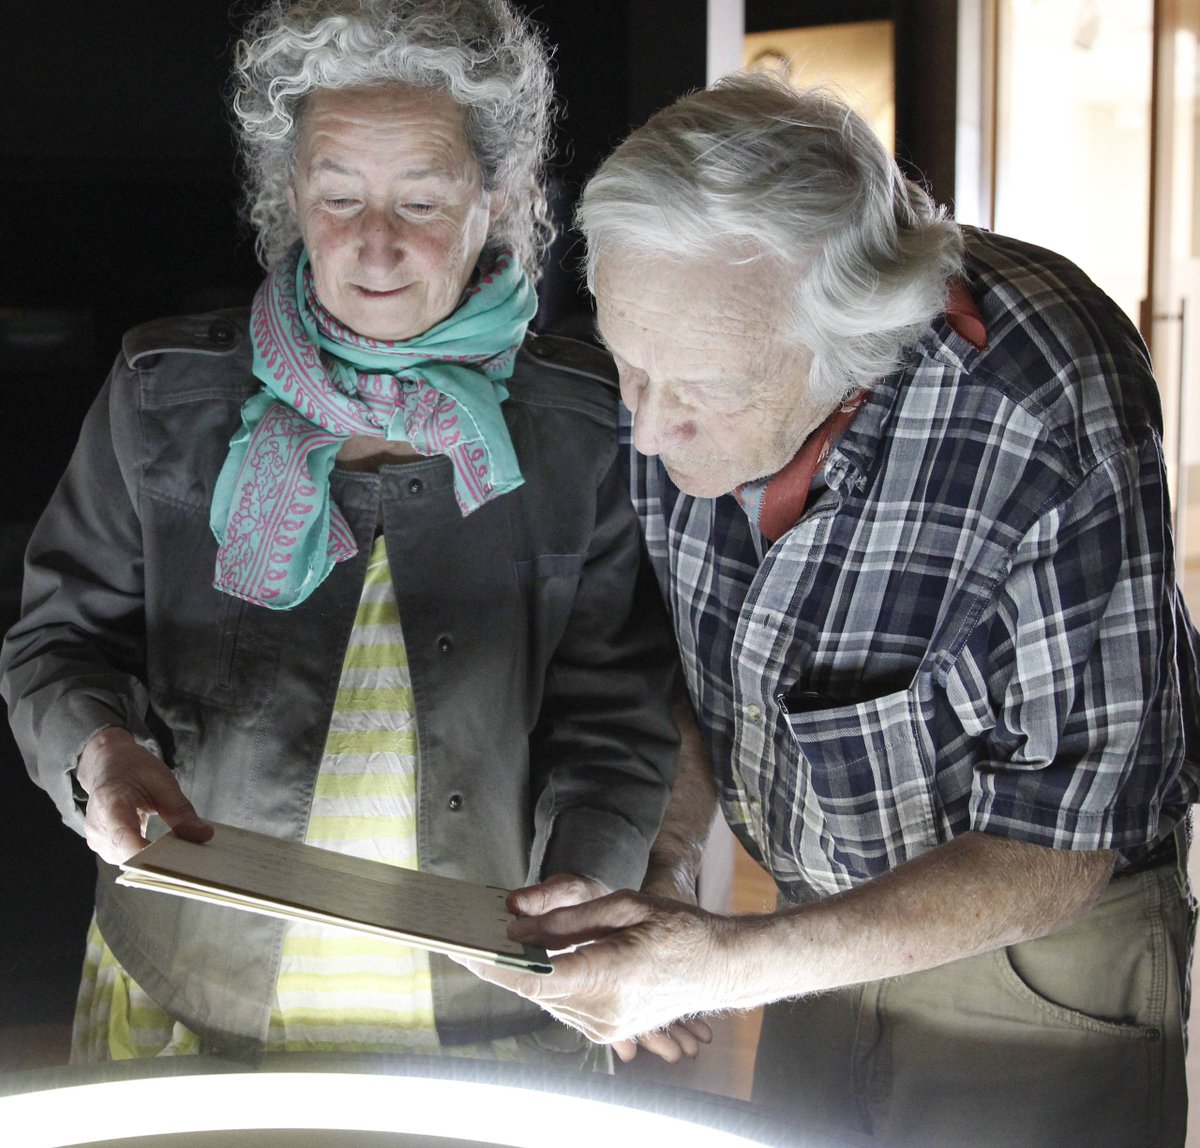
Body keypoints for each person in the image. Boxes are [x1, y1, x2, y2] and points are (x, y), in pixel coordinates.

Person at [462, 75, 1200, 1146]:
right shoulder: (682, 342)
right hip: (808, 919)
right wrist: (664, 884)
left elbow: (1066, 840)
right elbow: (704, 669)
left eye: (699, 389)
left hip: (1033, 950)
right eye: (630, 363)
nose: (651, 428)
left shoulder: (1045, 400)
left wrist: (725, 958)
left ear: (849, 347)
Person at [0, 0, 678, 1067]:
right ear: (291, 197)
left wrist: (593, 885)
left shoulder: (585, 426)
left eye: (420, 195)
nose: (374, 242)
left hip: (486, 1001)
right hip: (196, 978)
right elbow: (54, 645)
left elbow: (616, 707)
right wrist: (103, 752)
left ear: (491, 200)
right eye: (339, 194)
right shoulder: (160, 394)